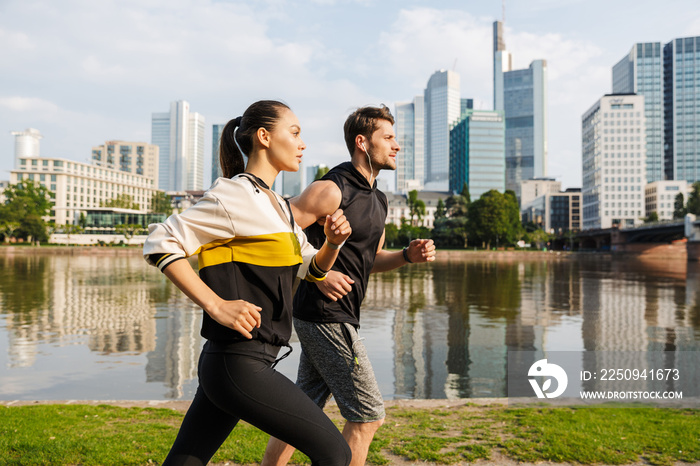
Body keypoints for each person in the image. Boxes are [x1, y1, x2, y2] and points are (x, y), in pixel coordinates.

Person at [144, 100, 352, 466]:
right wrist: (216, 305)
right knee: (335, 453)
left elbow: (311, 270)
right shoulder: (235, 195)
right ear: (264, 137)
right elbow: (161, 241)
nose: (302, 143)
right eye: (295, 132)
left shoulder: (279, 206)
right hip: (238, 362)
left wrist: (332, 244)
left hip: (235, 361)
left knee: (184, 461)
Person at [262, 105, 436, 466]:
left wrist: (406, 255)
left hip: (333, 316)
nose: (396, 145)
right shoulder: (331, 189)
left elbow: (370, 259)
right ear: (362, 142)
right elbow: (273, 232)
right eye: (387, 137)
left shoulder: (379, 199)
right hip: (326, 316)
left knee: (302, 410)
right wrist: (316, 272)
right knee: (367, 415)